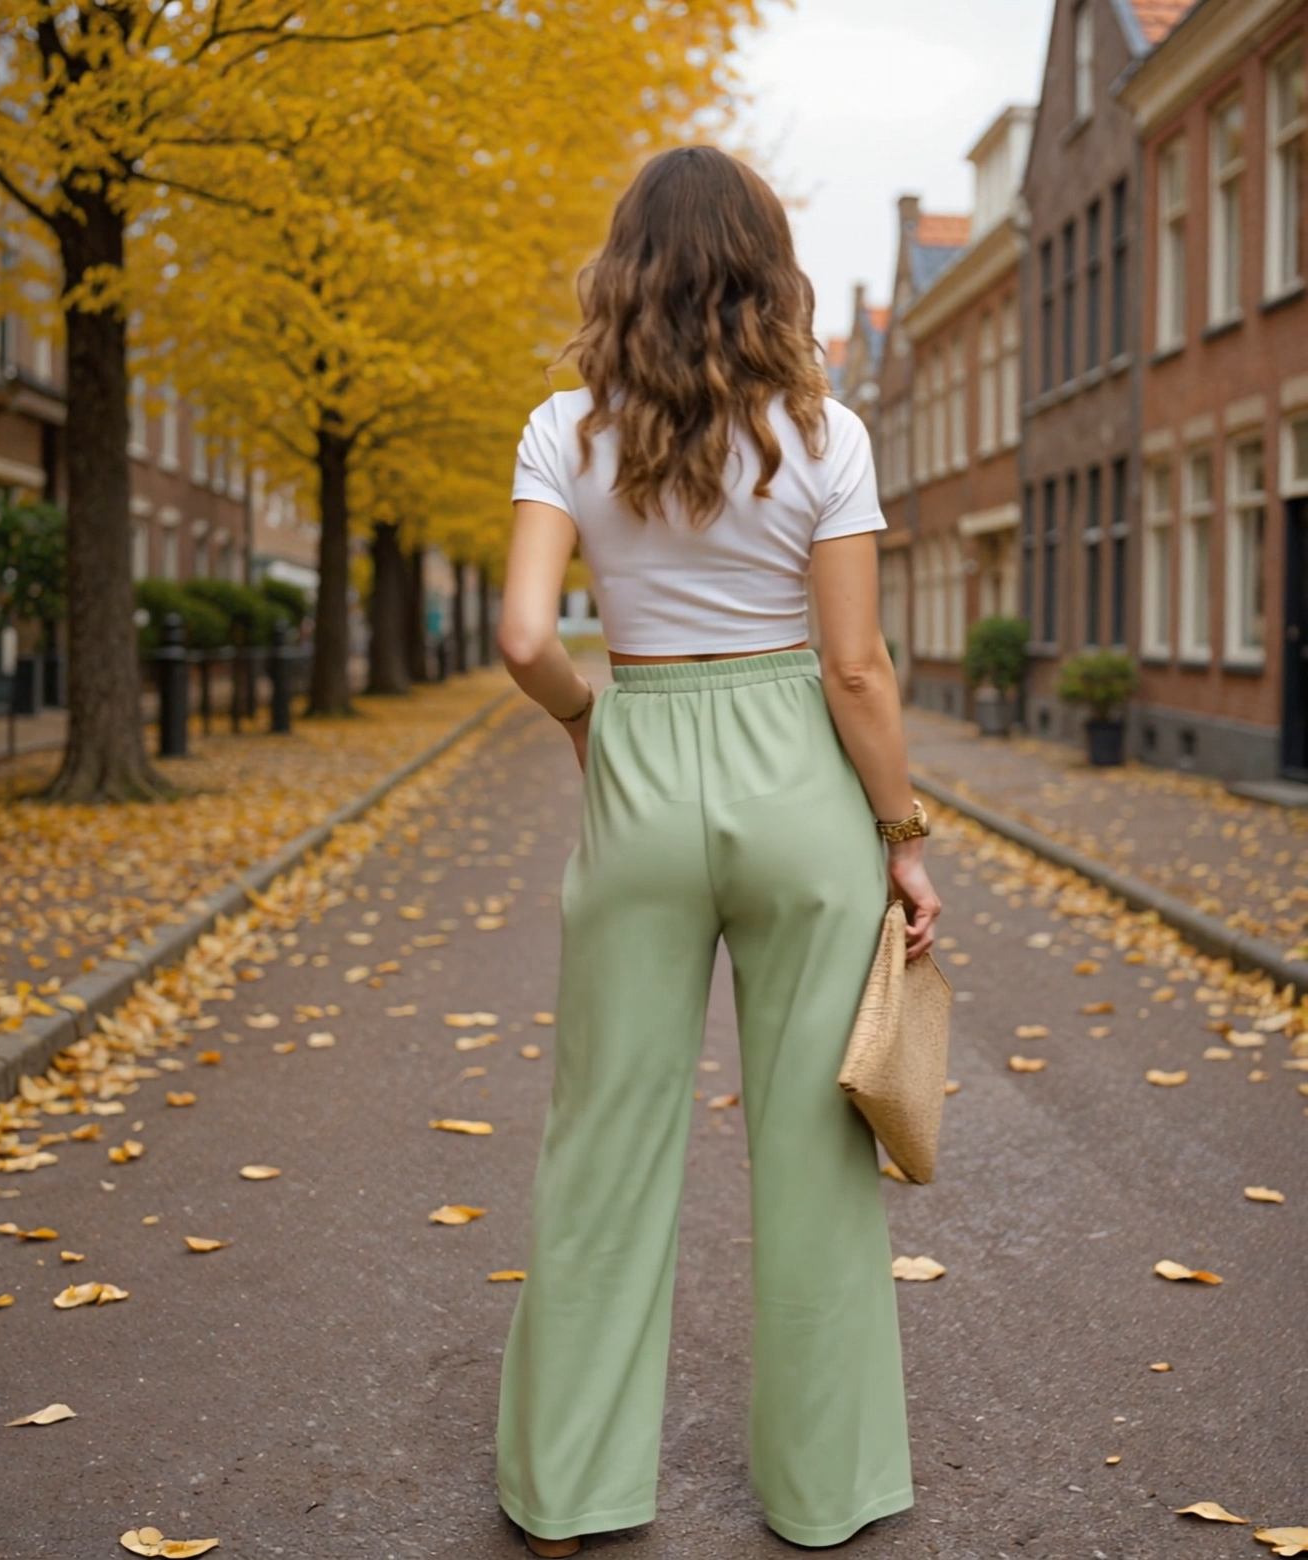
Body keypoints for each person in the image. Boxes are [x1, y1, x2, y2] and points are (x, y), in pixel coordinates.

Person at [495, 144, 941, 1556]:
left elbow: (521, 637)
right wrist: (904, 838)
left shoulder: (563, 427)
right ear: (769, 268)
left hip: (641, 758)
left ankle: (569, 1488)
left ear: (623, 268)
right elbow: (858, 670)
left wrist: (588, 720)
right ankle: (824, 1494)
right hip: (796, 775)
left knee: (605, 1142)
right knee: (816, 1150)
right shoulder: (829, 435)